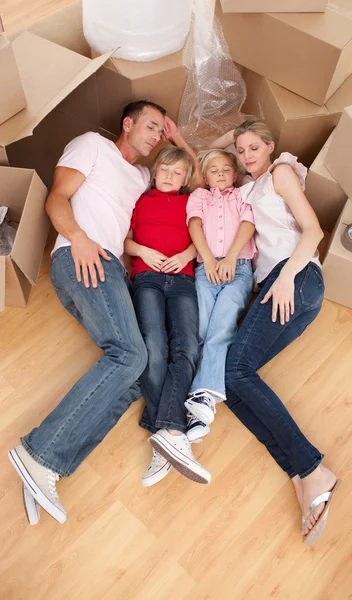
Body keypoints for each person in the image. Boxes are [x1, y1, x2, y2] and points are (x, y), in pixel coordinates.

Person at [8, 101, 189, 524]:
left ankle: (47, 465)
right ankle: (39, 453)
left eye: (159, 132)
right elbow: (57, 199)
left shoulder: (144, 175)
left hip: (111, 272)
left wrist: (177, 136)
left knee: (134, 374)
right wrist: (79, 238)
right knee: (128, 356)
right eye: (150, 126)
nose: (155, 136)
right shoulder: (92, 145)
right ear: (126, 124)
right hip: (83, 257)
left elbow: (191, 174)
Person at [216, 118, 340, 544]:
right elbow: (208, 162)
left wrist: (287, 277)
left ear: (270, 146)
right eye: (241, 149)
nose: (247, 155)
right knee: (231, 384)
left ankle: (313, 469)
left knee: (234, 373)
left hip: (295, 279)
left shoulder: (280, 173)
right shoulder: (245, 190)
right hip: (286, 291)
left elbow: (315, 230)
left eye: (254, 146)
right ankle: (300, 475)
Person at [125, 146, 211, 487]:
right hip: (146, 276)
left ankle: (165, 436)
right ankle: (174, 432)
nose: (170, 176)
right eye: (165, 169)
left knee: (188, 347)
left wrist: (188, 253)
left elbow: (199, 236)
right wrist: (144, 250)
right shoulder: (140, 200)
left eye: (178, 173)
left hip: (183, 278)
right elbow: (126, 240)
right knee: (153, 346)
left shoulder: (192, 201)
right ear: (155, 171)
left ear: (186, 179)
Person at [184, 149, 256, 429]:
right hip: (206, 267)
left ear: (235, 174)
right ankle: (195, 403)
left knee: (223, 325)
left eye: (226, 169)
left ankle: (204, 397)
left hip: (237, 266)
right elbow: (194, 225)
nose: (221, 174)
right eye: (214, 170)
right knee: (201, 329)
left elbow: (248, 224)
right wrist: (211, 259)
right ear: (205, 177)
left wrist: (229, 257)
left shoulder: (242, 195)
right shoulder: (199, 197)